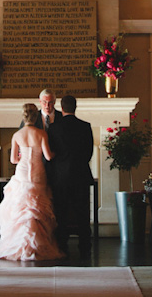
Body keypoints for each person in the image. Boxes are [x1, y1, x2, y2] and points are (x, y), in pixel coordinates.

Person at [0, 102, 64, 261]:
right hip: (38, 172)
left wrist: (23, 157)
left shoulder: (17, 135)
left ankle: (20, 243)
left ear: (23, 117)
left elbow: (13, 160)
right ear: (36, 117)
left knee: (22, 207)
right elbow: (49, 156)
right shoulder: (41, 134)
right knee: (36, 207)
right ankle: (38, 244)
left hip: (23, 172)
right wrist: (57, 153)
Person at [48, 94, 94, 259]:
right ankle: (85, 246)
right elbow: (89, 152)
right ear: (75, 107)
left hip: (61, 176)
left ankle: (62, 244)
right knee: (82, 212)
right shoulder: (85, 126)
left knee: (61, 211)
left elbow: (51, 153)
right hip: (81, 174)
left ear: (61, 108)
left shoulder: (54, 128)